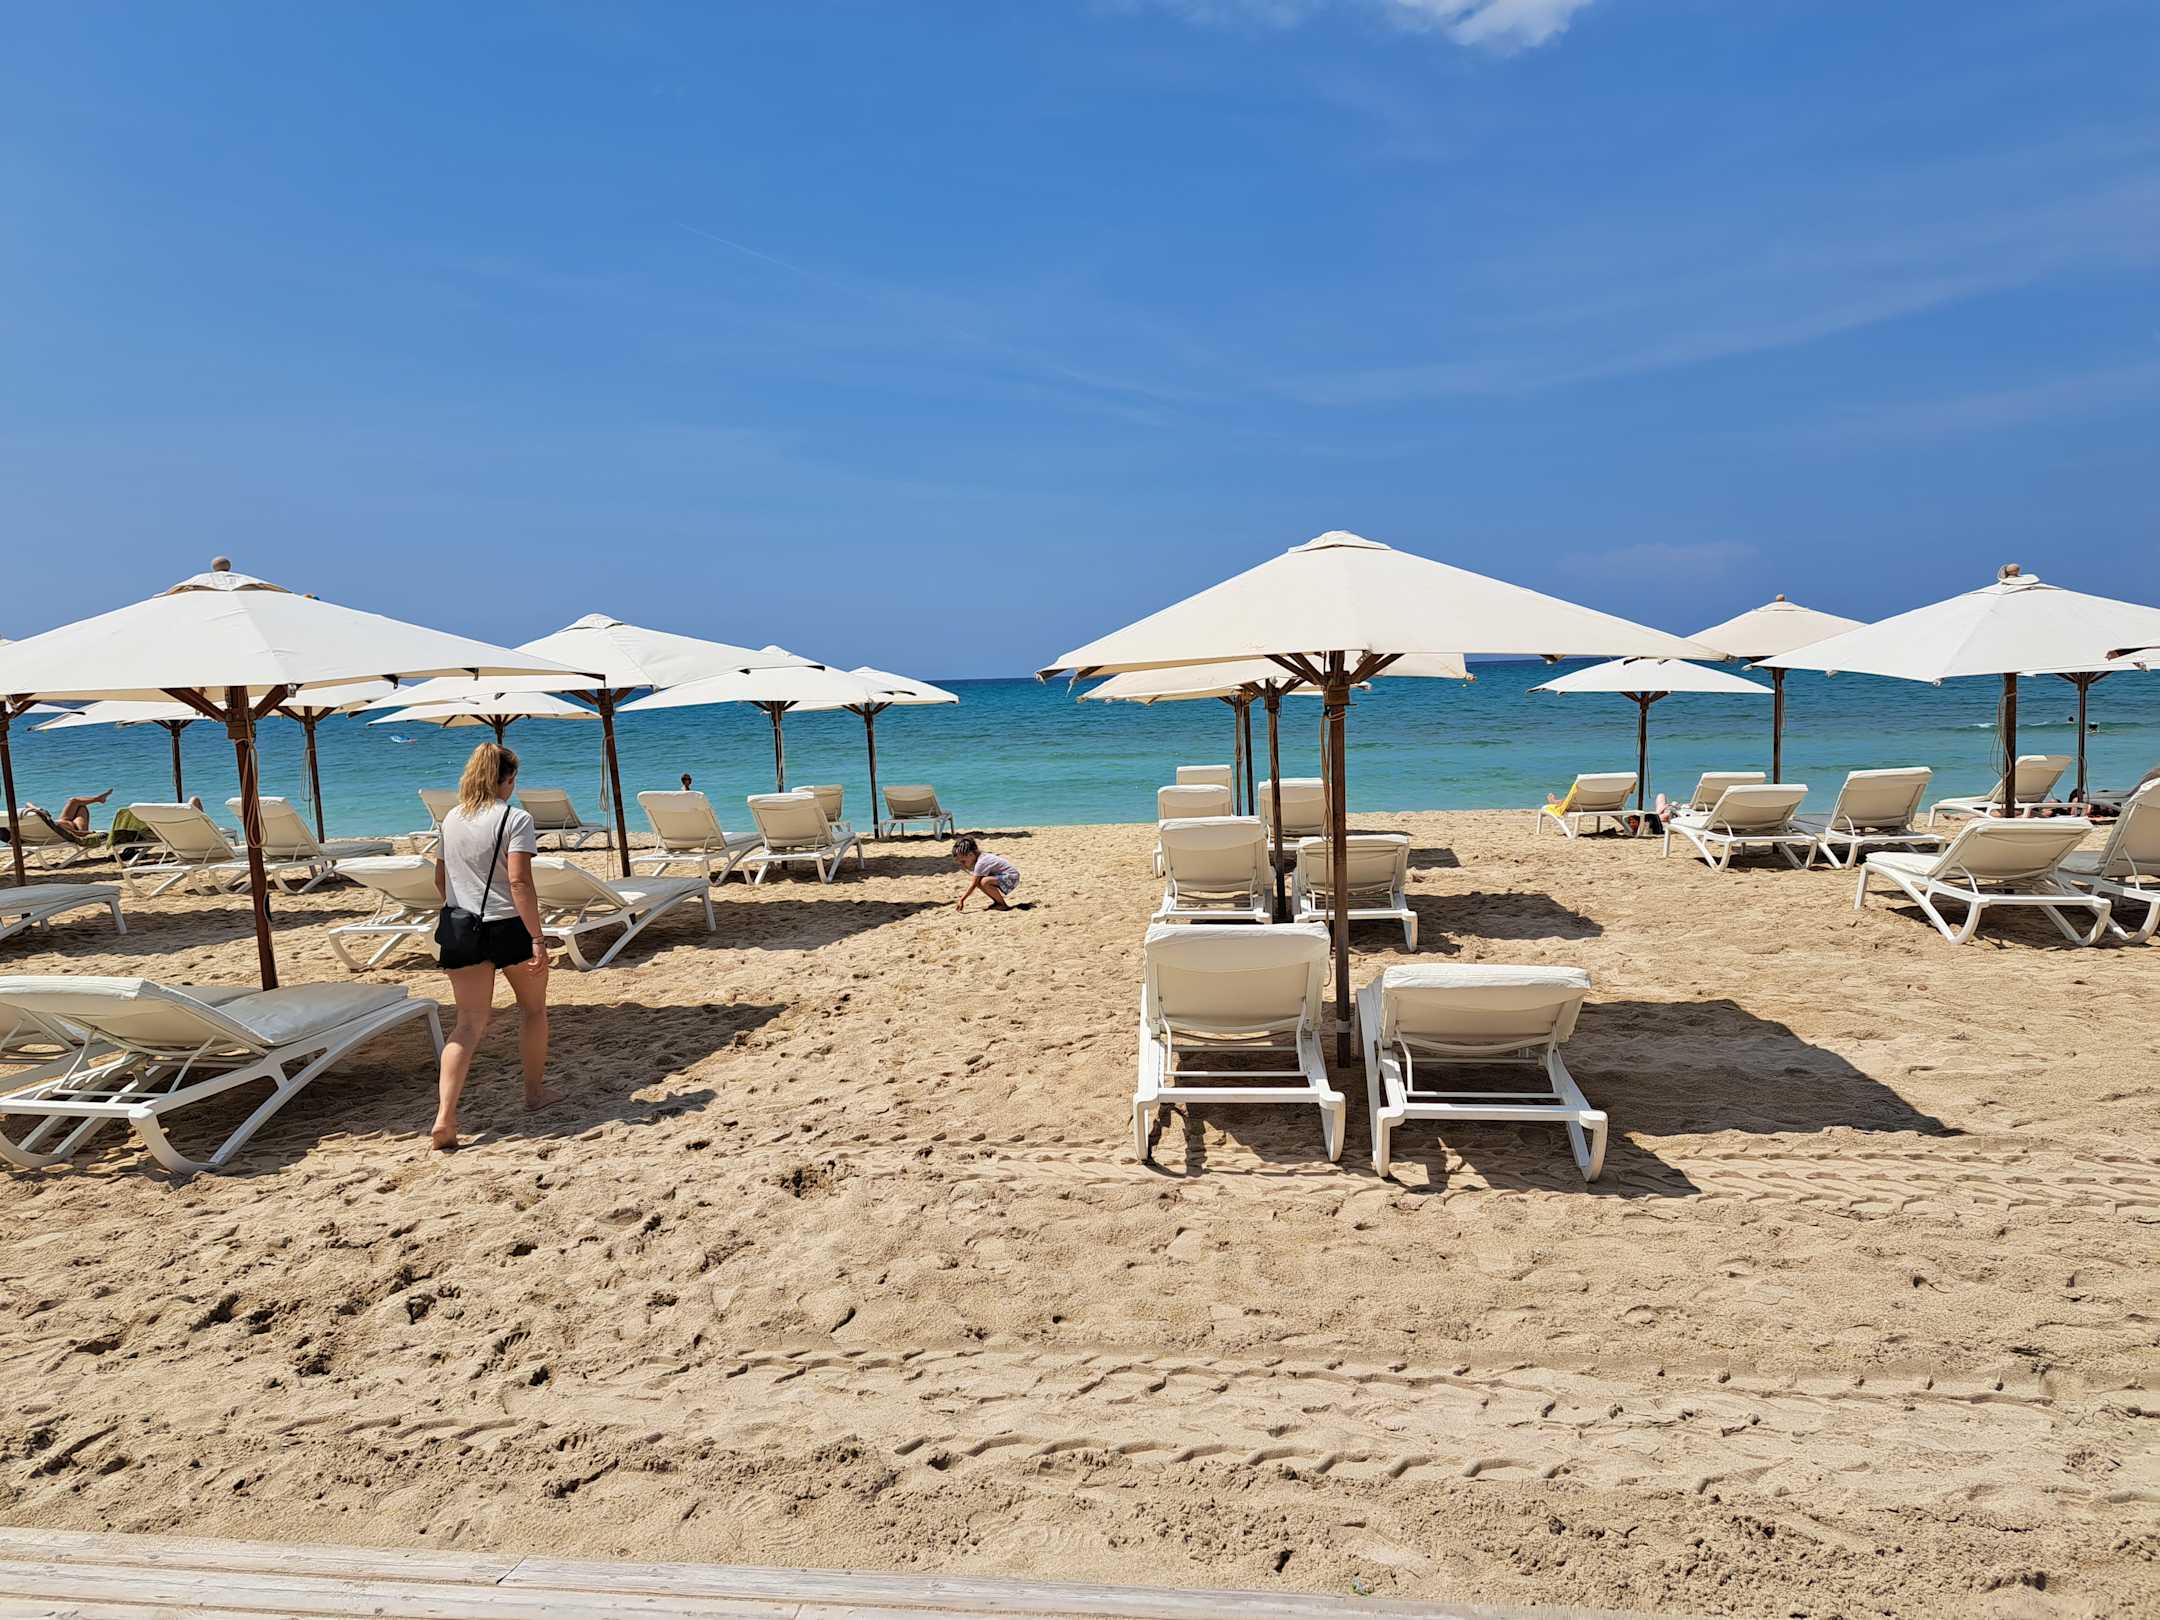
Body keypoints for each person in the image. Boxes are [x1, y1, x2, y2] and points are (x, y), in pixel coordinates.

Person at [429, 742, 558, 1151]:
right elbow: (519, 882)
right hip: (507, 926)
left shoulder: (451, 819)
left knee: (467, 1024)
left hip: (461, 926)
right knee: (533, 1011)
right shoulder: (516, 818)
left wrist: (461, 905)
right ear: (508, 779)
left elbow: (440, 880)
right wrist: (537, 937)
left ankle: (445, 1117)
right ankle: (535, 1094)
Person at [952, 835, 1020, 911]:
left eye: (963, 861)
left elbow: (973, 884)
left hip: (1012, 878)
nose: (963, 865)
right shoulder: (981, 857)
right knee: (980, 882)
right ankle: (997, 902)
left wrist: (962, 899)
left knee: (984, 882)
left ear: (971, 854)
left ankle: (1002, 904)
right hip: (1007, 876)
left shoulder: (981, 862)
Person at [20, 789, 110, 836]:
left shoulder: (42, 822)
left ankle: (98, 799)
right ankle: (99, 799)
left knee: (73, 801)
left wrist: (36, 809)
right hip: (77, 827)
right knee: (81, 806)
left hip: (64, 820)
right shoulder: (50, 825)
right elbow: (76, 833)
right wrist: (93, 833)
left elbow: (27, 803)